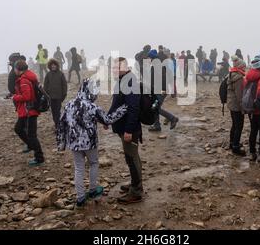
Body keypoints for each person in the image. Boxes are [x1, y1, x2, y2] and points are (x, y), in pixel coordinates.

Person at [57, 78, 127, 207]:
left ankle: (80, 198)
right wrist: (122, 109)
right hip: (89, 142)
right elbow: (107, 120)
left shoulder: (69, 104)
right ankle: (93, 190)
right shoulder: (91, 106)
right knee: (93, 163)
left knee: (79, 168)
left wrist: (61, 144)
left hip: (73, 143)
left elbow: (61, 124)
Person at [108, 57, 143, 204]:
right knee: (130, 158)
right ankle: (134, 184)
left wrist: (128, 130)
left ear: (125, 67)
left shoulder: (130, 81)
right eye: (113, 68)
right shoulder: (122, 80)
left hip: (129, 129)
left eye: (117, 67)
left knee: (132, 158)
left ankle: (136, 191)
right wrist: (107, 118)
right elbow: (116, 102)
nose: (114, 70)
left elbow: (134, 108)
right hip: (122, 127)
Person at [13, 60, 45, 166]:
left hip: (29, 111)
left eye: (15, 69)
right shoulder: (29, 77)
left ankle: (39, 158)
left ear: (19, 69)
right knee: (18, 129)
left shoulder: (24, 80)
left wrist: (15, 97)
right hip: (28, 110)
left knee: (31, 135)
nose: (14, 71)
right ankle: (31, 146)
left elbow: (27, 96)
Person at [147, 50, 179, 132]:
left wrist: (163, 90)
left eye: (149, 57)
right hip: (157, 90)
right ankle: (157, 125)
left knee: (155, 108)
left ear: (152, 57)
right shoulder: (156, 65)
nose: (148, 59)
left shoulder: (157, 66)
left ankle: (172, 118)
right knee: (155, 107)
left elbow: (163, 78)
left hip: (160, 91)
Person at [244, 56, 260, 162]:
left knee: (253, 131)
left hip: (251, 108)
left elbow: (244, 90)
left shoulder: (248, 76)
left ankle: (252, 152)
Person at [227, 55, 247, 156]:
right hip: (236, 106)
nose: (244, 68)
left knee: (234, 125)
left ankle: (232, 143)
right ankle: (235, 147)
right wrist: (243, 109)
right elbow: (239, 96)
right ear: (240, 67)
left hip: (231, 104)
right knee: (239, 126)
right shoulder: (239, 78)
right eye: (243, 67)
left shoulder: (231, 74)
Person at [44, 59, 68, 130]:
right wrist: (46, 94)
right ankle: (57, 124)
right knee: (54, 112)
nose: (53, 66)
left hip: (59, 97)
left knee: (57, 112)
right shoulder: (48, 74)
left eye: (54, 65)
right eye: (52, 65)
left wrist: (64, 94)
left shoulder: (61, 74)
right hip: (51, 97)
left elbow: (64, 85)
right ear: (50, 66)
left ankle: (58, 126)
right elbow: (45, 85)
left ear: (57, 66)